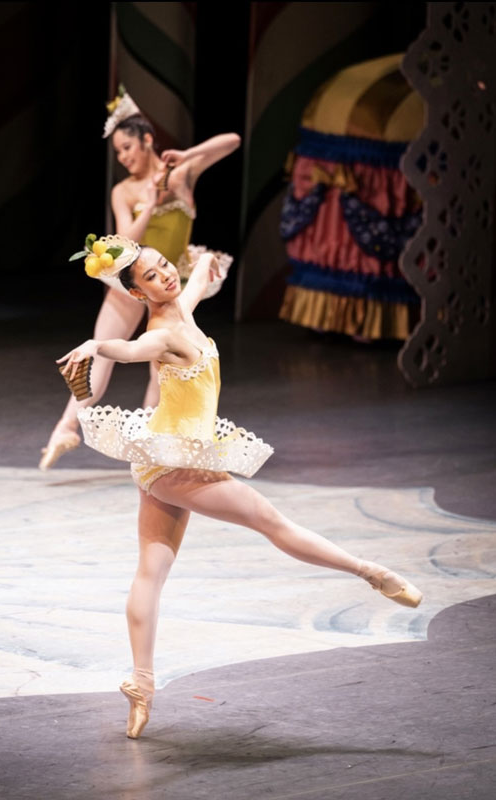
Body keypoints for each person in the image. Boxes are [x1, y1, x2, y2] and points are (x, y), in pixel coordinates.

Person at [58, 234, 423, 739]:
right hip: (176, 464)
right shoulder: (160, 333)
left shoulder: (180, 306)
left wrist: (204, 267)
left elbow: (194, 284)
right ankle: (371, 573)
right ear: (138, 294)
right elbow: (130, 348)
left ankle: (141, 686)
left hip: (163, 452)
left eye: (164, 265)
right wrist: (97, 345)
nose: (165, 274)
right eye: (151, 276)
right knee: (270, 521)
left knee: (151, 569)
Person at [39, 89, 240, 470]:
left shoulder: (182, 175)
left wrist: (188, 155)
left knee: (161, 368)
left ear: (148, 140)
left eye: (128, 146)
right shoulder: (124, 190)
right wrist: (149, 201)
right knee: (102, 359)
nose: (124, 157)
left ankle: (148, 447)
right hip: (132, 286)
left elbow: (232, 141)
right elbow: (127, 239)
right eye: (118, 152)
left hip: (169, 286)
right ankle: (65, 427)